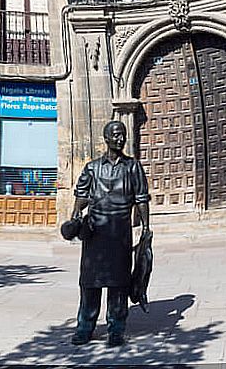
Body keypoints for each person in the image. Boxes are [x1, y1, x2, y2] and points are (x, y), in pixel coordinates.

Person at [62, 120, 150, 347]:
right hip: (95, 231)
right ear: (106, 138)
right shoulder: (92, 168)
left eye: (123, 135)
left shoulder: (133, 167)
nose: (120, 139)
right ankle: (85, 327)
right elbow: (81, 195)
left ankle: (116, 329)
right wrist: (75, 215)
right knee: (90, 282)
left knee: (119, 283)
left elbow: (141, 198)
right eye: (116, 135)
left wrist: (146, 228)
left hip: (120, 231)